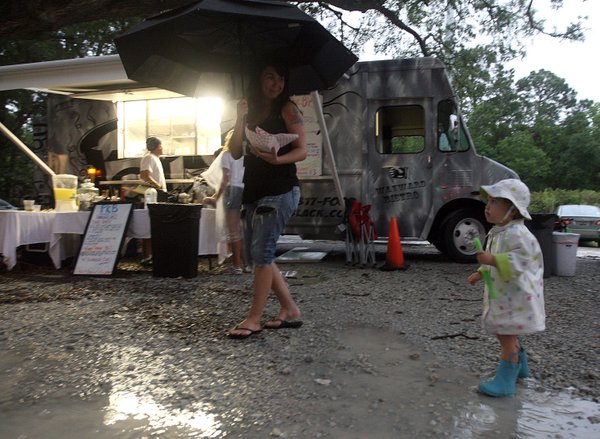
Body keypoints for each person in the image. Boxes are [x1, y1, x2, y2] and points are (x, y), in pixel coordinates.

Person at [226, 60, 307, 339]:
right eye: (270, 77)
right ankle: (290, 309)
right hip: (253, 191)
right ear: (258, 79)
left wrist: (277, 159)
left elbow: (302, 150)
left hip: (280, 189)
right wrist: (240, 117)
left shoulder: (288, 108)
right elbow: (235, 152)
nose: (277, 84)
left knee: (262, 253)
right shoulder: (249, 109)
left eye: (281, 78)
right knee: (256, 254)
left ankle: (254, 318)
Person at [467, 178, 545, 397]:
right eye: (488, 201)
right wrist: (481, 271)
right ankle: (520, 368)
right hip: (504, 293)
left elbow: (523, 261)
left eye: (494, 202)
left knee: (506, 333)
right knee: (504, 330)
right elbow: (494, 258)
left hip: (516, 296)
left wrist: (492, 260)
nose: (487, 207)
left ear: (512, 210)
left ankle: (506, 380)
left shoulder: (519, 234)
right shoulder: (499, 231)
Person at [202, 131, 249, 274]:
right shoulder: (246, 156)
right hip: (245, 192)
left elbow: (225, 179)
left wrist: (215, 197)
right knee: (242, 230)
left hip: (231, 192)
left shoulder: (226, 155)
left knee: (233, 231)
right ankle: (247, 265)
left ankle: (236, 266)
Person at [139, 136, 167, 266]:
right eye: (161, 146)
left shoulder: (155, 158)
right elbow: (144, 175)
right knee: (149, 224)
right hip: (153, 194)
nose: (162, 148)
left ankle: (154, 254)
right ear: (157, 147)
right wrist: (157, 185)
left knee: (157, 225)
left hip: (158, 193)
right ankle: (147, 255)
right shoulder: (149, 157)